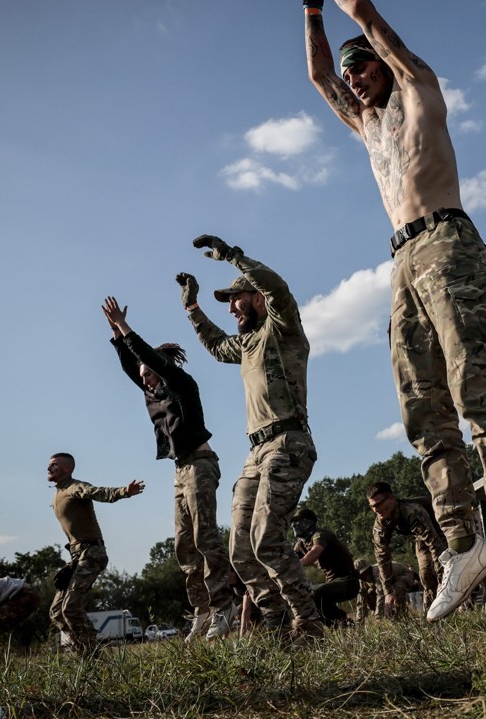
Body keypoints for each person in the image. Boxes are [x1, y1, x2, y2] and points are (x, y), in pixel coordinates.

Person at [295, 0, 486, 620]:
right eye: (352, 73)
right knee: (423, 412)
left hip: (449, 242)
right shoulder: (366, 123)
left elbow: (370, 19)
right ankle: (466, 545)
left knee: (474, 393)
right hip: (401, 262)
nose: (355, 77)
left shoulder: (418, 86)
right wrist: (307, 4)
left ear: (381, 64)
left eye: (361, 66)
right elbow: (317, 77)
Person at [178, 235, 324, 640]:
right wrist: (192, 308)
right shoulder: (246, 344)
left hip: (288, 443)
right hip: (256, 451)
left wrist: (232, 257)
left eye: (235, 298)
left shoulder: (283, 327)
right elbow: (214, 345)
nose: (230, 307)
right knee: (240, 549)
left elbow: (277, 286)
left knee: (265, 537)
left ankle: (308, 621)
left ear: (256, 298)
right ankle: (277, 627)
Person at [101, 297, 234, 642]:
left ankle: (224, 606)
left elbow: (145, 357)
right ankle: (202, 612)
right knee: (183, 546)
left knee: (206, 537)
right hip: (179, 471)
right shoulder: (153, 393)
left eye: (148, 373)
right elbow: (133, 366)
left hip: (201, 464)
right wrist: (116, 335)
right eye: (142, 377)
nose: (143, 380)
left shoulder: (180, 385)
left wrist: (127, 329)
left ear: (160, 368)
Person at [46, 452, 144, 655]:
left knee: (70, 608)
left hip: (92, 552)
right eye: (49, 465)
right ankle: (83, 649)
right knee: (56, 612)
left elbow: (97, 492)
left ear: (67, 468)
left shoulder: (75, 487)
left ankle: (94, 655)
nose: (49, 468)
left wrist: (124, 491)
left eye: (54, 465)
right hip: (76, 556)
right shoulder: (58, 492)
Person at [367, 481, 447, 612]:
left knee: (448, 571)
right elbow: (382, 557)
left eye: (378, 504)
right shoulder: (380, 524)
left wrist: (442, 578)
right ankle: (432, 612)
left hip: (441, 529)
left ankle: (463, 603)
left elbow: (434, 543)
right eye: (372, 507)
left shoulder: (412, 511)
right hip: (422, 537)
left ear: (391, 499)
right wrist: (388, 592)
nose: (376, 510)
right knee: (425, 574)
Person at [291, 508, 360, 626]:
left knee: (316, 594)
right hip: (332, 582)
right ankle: (337, 628)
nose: (295, 525)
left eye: (299, 521)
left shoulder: (321, 535)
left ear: (309, 522)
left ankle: (344, 623)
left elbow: (314, 553)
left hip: (348, 582)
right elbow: (290, 559)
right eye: (293, 522)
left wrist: (292, 567)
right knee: (307, 596)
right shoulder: (301, 543)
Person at [354, 559, 421, 621]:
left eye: (364, 573)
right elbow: (361, 601)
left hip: (404, 575)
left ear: (369, 569)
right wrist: (359, 622)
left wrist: (378, 618)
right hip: (389, 582)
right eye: (360, 575)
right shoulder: (362, 580)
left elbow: (381, 595)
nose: (363, 577)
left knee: (396, 591)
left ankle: (402, 616)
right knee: (370, 594)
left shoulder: (377, 572)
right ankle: (390, 615)